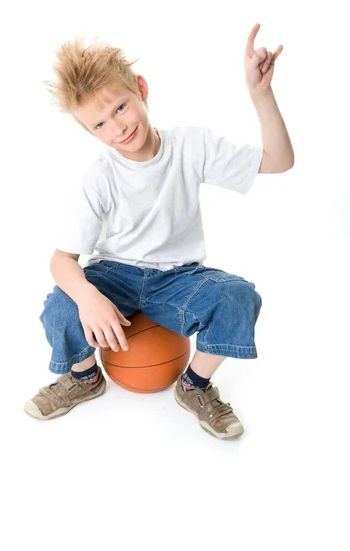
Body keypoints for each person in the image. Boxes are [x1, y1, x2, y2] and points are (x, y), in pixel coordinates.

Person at [24, 24, 294, 439]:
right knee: (61, 305)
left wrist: (261, 95)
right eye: (99, 125)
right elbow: (62, 261)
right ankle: (83, 377)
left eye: (119, 108)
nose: (117, 129)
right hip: (114, 274)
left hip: (178, 278)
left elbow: (279, 160)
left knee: (238, 297)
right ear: (89, 133)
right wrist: (89, 297)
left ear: (141, 89)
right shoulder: (100, 178)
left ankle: (195, 386)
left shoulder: (191, 146)